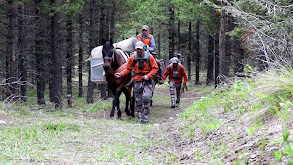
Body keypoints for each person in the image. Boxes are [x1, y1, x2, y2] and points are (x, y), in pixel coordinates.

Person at [114, 41, 159, 124]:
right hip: (137, 81)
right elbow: (128, 69)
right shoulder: (132, 58)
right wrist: (121, 74)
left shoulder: (149, 57)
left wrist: (148, 76)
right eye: (137, 49)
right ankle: (140, 117)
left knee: (146, 98)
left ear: (143, 49)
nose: (138, 51)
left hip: (147, 81)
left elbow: (155, 68)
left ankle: (146, 117)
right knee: (138, 101)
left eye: (140, 49)